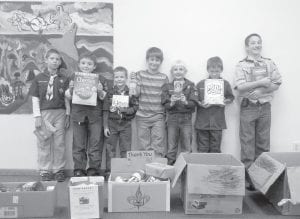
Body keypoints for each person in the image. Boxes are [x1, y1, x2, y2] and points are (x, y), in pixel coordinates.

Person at [234, 33, 282, 190]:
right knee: (247, 145)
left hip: (265, 107)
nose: (256, 45)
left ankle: (262, 180)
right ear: (247, 46)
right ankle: (249, 181)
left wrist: (261, 92)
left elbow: (277, 82)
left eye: (258, 42)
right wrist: (261, 82)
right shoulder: (241, 65)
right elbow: (240, 87)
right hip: (248, 106)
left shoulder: (269, 63)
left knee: (263, 144)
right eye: (253, 43)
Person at [29, 48, 70, 182]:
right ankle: (45, 170)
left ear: (60, 62)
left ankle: (59, 170)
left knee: (59, 142)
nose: (55, 61)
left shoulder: (65, 79)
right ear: (46, 60)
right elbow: (35, 98)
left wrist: (68, 114)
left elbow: (67, 98)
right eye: (52, 58)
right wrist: (37, 116)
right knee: (44, 142)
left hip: (60, 113)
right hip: (44, 113)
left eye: (57, 59)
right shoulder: (39, 78)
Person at [65, 52, 107, 177]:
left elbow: (104, 98)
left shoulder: (101, 79)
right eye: (83, 63)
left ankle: (93, 169)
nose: (86, 66)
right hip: (78, 115)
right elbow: (67, 96)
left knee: (95, 144)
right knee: (78, 144)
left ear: (94, 66)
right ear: (79, 65)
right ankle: (79, 170)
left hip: (95, 116)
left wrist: (100, 91)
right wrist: (71, 89)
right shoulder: (74, 77)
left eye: (89, 64)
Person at [131, 47, 169, 157]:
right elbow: (136, 94)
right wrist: (134, 82)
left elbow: (165, 97)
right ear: (147, 60)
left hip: (158, 116)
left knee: (158, 145)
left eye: (157, 60)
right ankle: (145, 170)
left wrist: (166, 115)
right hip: (142, 116)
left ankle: (156, 171)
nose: (154, 62)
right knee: (143, 146)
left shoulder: (164, 77)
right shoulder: (140, 74)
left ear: (161, 62)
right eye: (152, 59)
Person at [103, 66, 139, 174]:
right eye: (117, 77)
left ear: (126, 78)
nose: (119, 79)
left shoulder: (131, 92)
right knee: (110, 149)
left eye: (122, 77)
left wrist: (126, 110)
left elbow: (135, 107)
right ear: (114, 78)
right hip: (112, 124)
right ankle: (110, 171)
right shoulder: (109, 93)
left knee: (126, 149)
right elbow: (105, 110)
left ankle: (125, 171)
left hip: (125, 124)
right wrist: (105, 127)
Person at [195, 56, 234, 153]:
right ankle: (201, 168)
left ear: (221, 70)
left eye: (217, 71)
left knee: (215, 148)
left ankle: (213, 168)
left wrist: (225, 101)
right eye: (212, 71)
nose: (214, 74)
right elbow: (194, 99)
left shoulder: (225, 84)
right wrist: (200, 103)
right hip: (202, 122)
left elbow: (231, 97)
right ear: (208, 70)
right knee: (202, 148)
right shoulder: (200, 84)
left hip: (217, 122)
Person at [161, 60, 197, 165]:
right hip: (172, 118)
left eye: (181, 69)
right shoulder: (167, 86)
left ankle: (186, 171)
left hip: (186, 118)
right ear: (172, 72)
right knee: (171, 147)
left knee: (187, 147)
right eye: (175, 69)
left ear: (185, 71)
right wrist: (171, 103)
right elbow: (164, 104)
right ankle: (170, 171)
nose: (178, 71)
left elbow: (194, 103)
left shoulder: (191, 85)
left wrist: (185, 101)